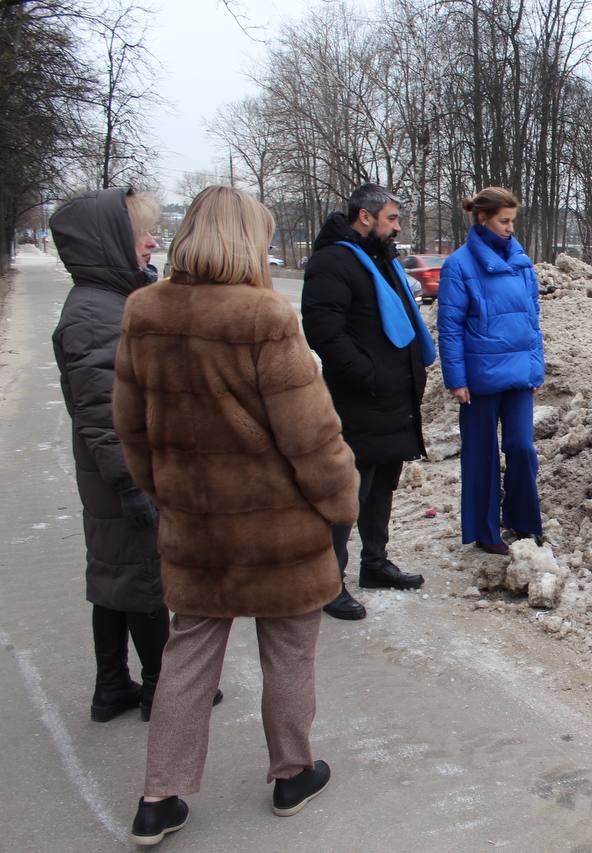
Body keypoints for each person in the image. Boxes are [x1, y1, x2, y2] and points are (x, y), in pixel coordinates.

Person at [114, 186, 359, 845]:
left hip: (197, 526)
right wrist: (341, 504)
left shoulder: (144, 312)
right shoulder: (265, 316)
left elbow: (130, 429)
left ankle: (157, 797)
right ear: (248, 240)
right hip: (278, 528)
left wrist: (167, 495)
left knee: (189, 653)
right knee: (288, 651)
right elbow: (310, 435)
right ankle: (291, 774)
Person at [49, 187, 189, 723]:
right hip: (123, 472)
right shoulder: (95, 313)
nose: (153, 242)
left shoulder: (105, 302)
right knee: (143, 576)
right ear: (110, 243)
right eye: (141, 235)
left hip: (109, 471)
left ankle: (112, 686)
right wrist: (134, 485)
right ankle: (162, 687)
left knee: (113, 575)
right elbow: (103, 413)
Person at [301, 184, 437, 620]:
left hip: (395, 399)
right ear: (366, 216)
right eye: (392, 219)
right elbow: (324, 331)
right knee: (349, 491)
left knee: (383, 486)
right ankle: (328, 583)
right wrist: (369, 375)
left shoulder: (383, 259)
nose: (398, 228)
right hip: (361, 400)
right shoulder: (333, 262)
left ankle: (374, 564)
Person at [437, 187, 544, 555]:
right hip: (479, 379)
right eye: (504, 221)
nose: (510, 228)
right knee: (481, 455)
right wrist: (456, 378)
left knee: (522, 448)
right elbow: (449, 327)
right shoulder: (459, 266)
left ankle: (524, 521)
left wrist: (535, 370)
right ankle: (486, 532)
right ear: (482, 218)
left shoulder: (521, 262)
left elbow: (533, 321)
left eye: (513, 221)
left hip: (518, 375)